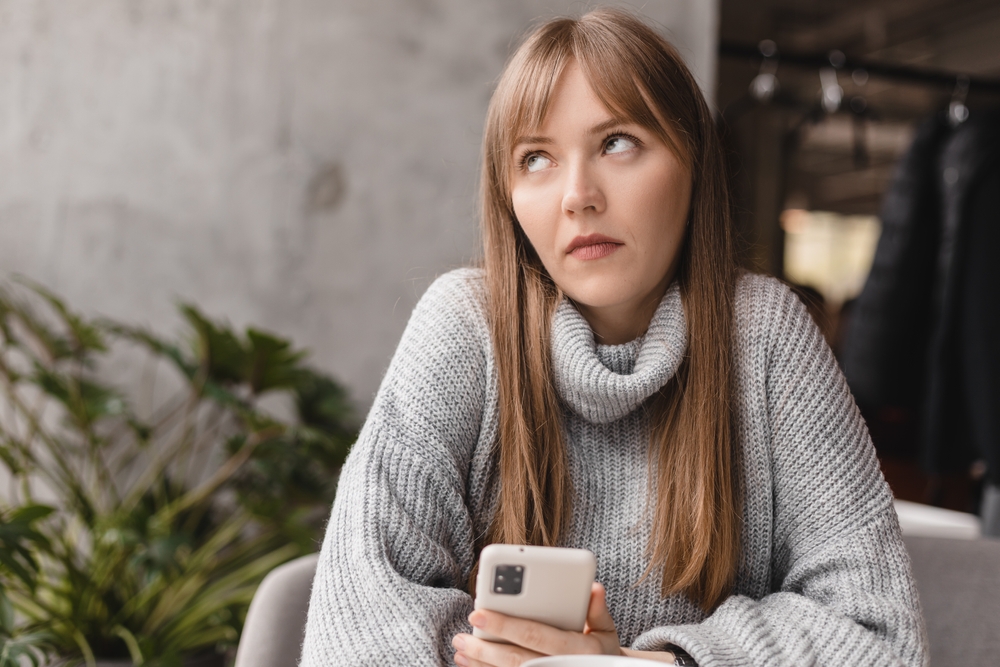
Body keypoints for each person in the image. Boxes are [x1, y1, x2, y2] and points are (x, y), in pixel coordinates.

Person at [300, 9, 927, 667]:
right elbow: (354, 635)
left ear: (692, 160)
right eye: (536, 158)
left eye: (618, 142)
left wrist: (643, 665)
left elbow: (880, 637)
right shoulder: (465, 326)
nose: (577, 196)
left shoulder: (764, 334)